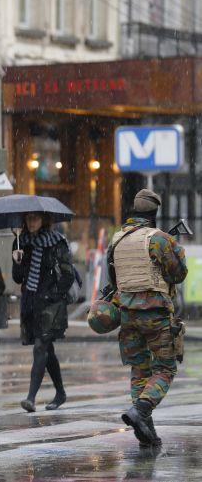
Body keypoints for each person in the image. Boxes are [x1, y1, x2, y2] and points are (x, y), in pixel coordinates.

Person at [107, 189, 187, 447]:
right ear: (154, 213)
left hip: (127, 315)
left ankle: (146, 431)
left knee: (140, 369)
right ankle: (141, 411)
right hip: (155, 314)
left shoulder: (116, 240)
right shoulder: (159, 240)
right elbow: (178, 274)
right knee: (165, 368)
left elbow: (113, 280)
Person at [12, 212, 74, 413]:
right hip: (31, 302)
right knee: (47, 350)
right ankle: (61, 393)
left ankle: (30, 398)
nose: (31, 223)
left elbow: (68, 275)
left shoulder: (57, 242)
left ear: (44, 220)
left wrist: (51, 295)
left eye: (35, 218)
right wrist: (18, 261)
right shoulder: (21, 242)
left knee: (40, 347)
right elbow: (17, 278)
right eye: (28, 219)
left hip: (51, 304)